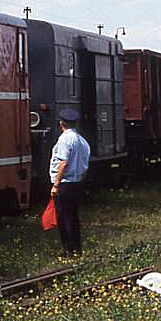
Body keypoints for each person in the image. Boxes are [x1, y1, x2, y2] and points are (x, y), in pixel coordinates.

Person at [49, 108, 90, 255]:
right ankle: (77, 249)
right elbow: (85, 166)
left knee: (63, 217)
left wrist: (56, 184)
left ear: (62, 123)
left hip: (65, 183)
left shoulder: (64, 139)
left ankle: (68, 249)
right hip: (77, 182)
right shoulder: (82, 141)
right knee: (73, 216)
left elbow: (63, 163)